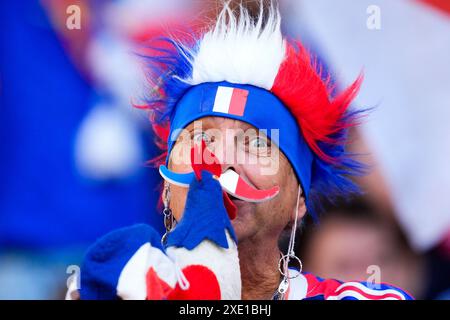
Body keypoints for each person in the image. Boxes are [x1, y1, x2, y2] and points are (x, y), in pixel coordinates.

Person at [67, 3, 413, 300]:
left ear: (299, 201)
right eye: (199, 137)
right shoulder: (122, 285)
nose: (222, 160)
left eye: (257, 143)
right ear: (167, 186)